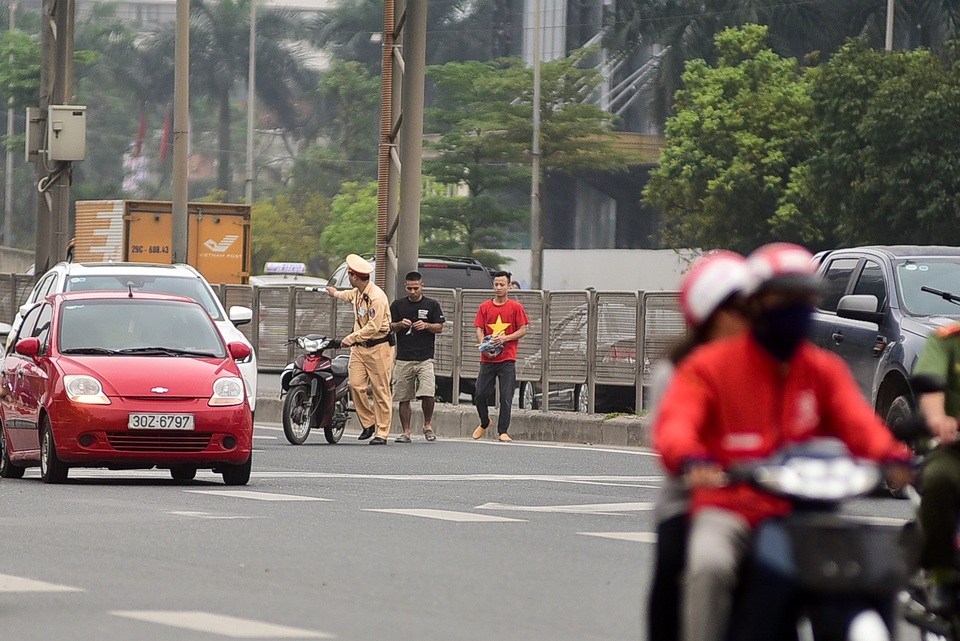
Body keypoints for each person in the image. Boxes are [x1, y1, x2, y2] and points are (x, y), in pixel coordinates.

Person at [653, 242, 912, 641]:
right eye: (783, 298)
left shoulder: (822, 369)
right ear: (758, 303)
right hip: (729, 507)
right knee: (709, 565)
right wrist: (691, 456)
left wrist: (895, 457)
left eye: (805, 298)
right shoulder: (708, 368)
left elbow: (859, 424)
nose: (796, 309)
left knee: (863, 571)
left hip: (799, 510)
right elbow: (676, 425)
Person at [646, 251, 753, 641]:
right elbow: (672, 430)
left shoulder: (774, 363)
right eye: (738, 309)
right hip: (694, 497)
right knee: (683, 562)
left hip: (765, 497)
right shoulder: (679, 371)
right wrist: (693, 459)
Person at [910, 325, 960, 613]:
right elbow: (932, 388)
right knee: (940, 480)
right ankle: (940, 574)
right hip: (953, 449)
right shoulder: (946, 342)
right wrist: (938, 419)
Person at [325, 253, 394, 445]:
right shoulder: (358, 292)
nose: (348, 278)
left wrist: (350, 338)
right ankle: (369, 422)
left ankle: (382, 432)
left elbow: (373, 327)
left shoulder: (377, 298)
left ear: (354, 277)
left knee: (380, 390)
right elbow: (348, 296)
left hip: (378, 347)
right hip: (359, 349)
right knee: (354, 385)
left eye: (349, 275)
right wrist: (334, 293)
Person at [472, 270, 529, 443]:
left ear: (509, 286)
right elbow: (479, 329)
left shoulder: (516, 307)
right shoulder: (484, 307)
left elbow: (523, 329)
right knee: (480, 394)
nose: (498, 287)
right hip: (487, 359)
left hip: (507, 358)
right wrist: (484, 345)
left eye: (502, 284)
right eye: (496, 284)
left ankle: (502, 430)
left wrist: (505, 338)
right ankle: (484, 421)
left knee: (506, 396)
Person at [389, 271, 445, 443]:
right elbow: (389, 326)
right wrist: (400, 324)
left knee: (428, 392)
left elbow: (440, 326)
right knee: (403, 396)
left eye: (416, 288)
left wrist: (427, 325)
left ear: (422, 286)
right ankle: (406, 431)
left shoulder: (432, 304)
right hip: (404, 357)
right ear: (405, 287)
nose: (412, 292)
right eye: (409, 288)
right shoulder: (398, 305)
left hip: (425, 357)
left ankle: (427, 425)